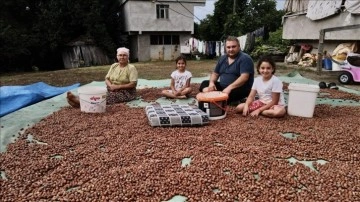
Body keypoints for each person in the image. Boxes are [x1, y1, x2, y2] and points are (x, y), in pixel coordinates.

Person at [67, 47, 138, 107]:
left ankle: (80, 102)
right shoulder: (114, 66)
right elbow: (106, 79)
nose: (122, 57)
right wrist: (111, 86)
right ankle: (80, 101)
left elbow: (133, 84)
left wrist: (117, 87)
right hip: (112, 89)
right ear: (117, 56)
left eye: (124, 55)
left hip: (126, 92)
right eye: (120, 55)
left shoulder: (131, 68)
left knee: (104, 97)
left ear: (128, 57)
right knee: (97, 92)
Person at [199, 36, 254, 104]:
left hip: (239, 88)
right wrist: (211, 83)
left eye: (233, 46)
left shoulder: (245, 58)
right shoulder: (222, 58)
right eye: (228, 47)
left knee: (233, 93)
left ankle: (214, 96)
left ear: (239, 47)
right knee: (204, 83)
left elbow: (244, 77)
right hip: (223, 87)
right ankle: (219, 96)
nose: (231, 49)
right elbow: (215, 73)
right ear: (225, 48)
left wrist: (230, 88)